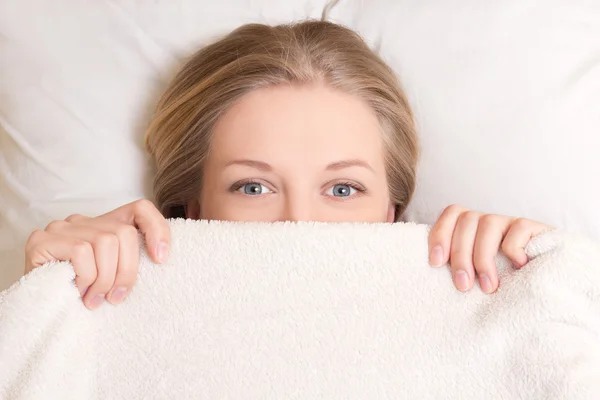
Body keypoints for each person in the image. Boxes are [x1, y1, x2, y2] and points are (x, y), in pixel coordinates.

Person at [24, 20, 551, 310]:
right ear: (190, 206)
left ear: (393, 211)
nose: (300, 224)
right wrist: (44, 306)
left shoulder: (484, 300)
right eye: (253, 187)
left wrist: (543, 276)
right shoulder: (101, 305)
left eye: (343, 189)